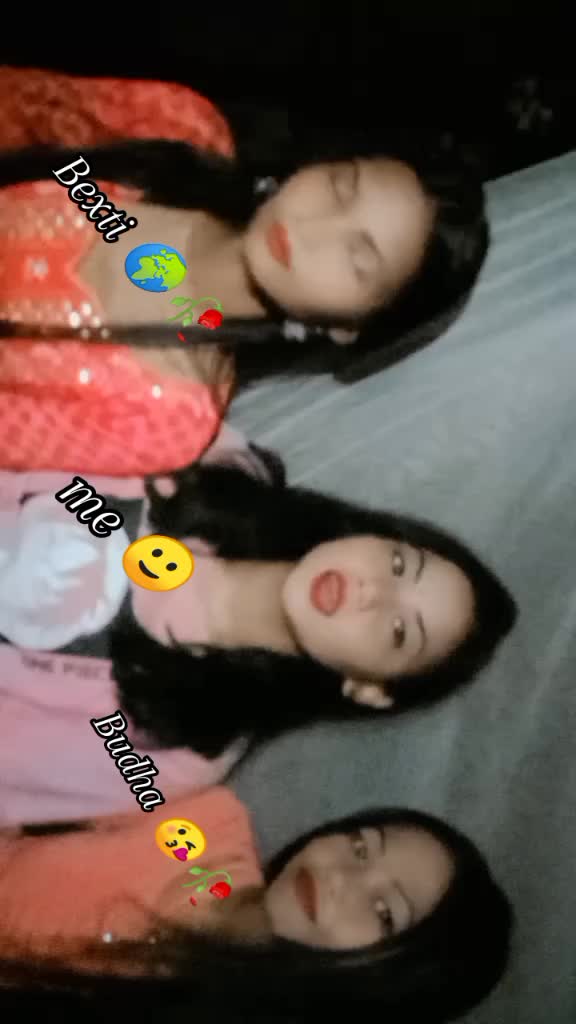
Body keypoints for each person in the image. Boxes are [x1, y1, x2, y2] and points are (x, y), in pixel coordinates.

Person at [0, 425, 516, 825]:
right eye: (399, 564)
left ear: (371, 689)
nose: (373, 591)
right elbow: (33, 416)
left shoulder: (186, 747)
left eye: (400, 630)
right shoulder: (219, 462)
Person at [0, 125, 488, 474]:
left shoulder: (170, 414)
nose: (314, 227)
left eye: (357, 258)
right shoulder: (182, 133)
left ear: (350, 327)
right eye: (341, 184)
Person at [0, 787, 513, 1020]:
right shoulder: (209, 827)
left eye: (384, 913)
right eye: (361, 847)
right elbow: (100, 739)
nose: (342, 878)